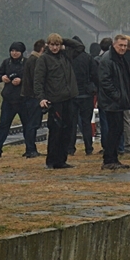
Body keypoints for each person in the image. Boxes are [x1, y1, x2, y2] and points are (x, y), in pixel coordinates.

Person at [33, 33, 77, 170]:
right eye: (52, 45)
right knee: (55, 131)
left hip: (68, 98)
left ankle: (62, 160)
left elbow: (79, 47)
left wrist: (64, 40)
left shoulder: (65, 56)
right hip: (54, 99)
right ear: (48, 45)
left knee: (67, 130)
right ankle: (51, 160)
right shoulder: (44, 59)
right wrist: (41, 98)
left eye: (57, 45)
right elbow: (38, 80)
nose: (54, 48)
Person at [97, 34, 130, 169]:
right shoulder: (108, 59)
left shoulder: (119, 59)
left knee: (117, 130)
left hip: (118, 101)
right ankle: (109, 159)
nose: (123, 48)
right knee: (114, 130)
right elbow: (105, 81)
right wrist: (117, 95)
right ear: (114, 45)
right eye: (121, 45)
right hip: (111, 102)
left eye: (125, 46)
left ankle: (113, 158)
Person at [0, 42, 25, 158]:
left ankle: (30, 149)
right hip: (8, 100)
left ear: (21, 52)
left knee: (27, 126)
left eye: (16, 51)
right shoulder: (6, 63)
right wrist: (2, 78)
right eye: (12, 51)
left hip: (23, 99)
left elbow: (33, 77)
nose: (14, 53)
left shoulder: (27, 63)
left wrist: (21, 80)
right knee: (3, 125)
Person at [65, 36, 97, 156]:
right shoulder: (88, 58)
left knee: (72, 123)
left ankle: (70, 148)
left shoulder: (68, 58)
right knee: (86, 123)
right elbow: (95, 74)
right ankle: (88, 147)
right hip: (86, 95)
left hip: (71, 95)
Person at [18, 38, 45, 157]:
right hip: (33, 97)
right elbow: (36, 79)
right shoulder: (36, 61)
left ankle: (30, 148)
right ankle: (30, 149)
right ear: (42, 49)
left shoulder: (30, 60)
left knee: (31, 123)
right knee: (32, 124)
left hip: (28, 96)